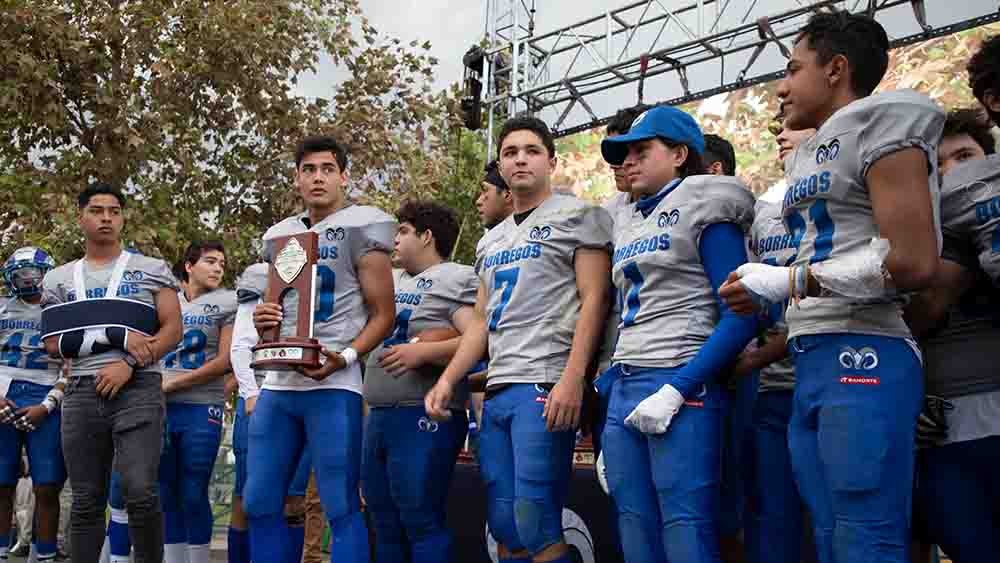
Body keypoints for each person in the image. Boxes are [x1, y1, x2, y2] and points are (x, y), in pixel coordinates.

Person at [719, 11, 944, 563]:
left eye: (793, 69)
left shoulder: (883, 123)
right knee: (830, 535)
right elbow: (828, 248)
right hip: (813, 355)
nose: (780, 85)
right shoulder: (815, 148)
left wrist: (788, 279)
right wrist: (768, 284)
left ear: (837, 68)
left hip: (865, 351)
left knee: (866, 535)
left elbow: (912, 261)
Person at [426, 116, 613, 563]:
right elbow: (480, 323)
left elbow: (595, 300)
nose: (520, 159)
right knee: (506, 523)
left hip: (545, 381)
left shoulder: (579, 216)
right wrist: (448, 379)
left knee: (535, 518)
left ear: (551, 160)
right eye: (510, 153)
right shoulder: (490, 240)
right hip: (499, 388)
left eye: (531, 150)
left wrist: (573, 378)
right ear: (501, 166)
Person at [597, 106, 758, 563]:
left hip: (679, 378)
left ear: (680, 153)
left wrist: (678, 388)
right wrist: (605, 384)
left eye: (641, 150)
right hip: (626, 381)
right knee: (634, 529)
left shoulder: (707, 203)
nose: (627, 161)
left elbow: (742, 315)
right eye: (623, 153)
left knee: (685, 529)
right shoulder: (628, 218)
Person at [247, 135, 396, 563]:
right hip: (280, 383)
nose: (318, 178)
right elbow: (281, 306)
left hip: (334, 383)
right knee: (259, 501)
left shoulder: (361, 227)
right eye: (309, 170)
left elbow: (382, 315)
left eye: (327, 169)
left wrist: (345, 358)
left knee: (340, 504)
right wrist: (265, 322)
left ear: (343, 177)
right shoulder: (281, 235)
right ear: (296, 178)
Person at [40, 183, 182, 563]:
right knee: (86, 498)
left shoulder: (151, 269)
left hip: (139, 387)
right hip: (82, 391)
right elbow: (53, 344)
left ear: (122, 218)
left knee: (139, 490)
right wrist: (116, 335)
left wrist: (130, 362)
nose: (106, 217)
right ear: (80, 217)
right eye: (97, 210)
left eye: (114, 211)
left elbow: (172, 330)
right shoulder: (57, 279)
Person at [905, 107, 1000, 561]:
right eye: (936, 167)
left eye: (964, 156)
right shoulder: (905, 239)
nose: (951, 174)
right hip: (943, 429)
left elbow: (929, 307)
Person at [362, 200, 478, 562]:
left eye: (404, 231)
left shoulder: (455, 277)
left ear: (427, 236)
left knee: (420, 518)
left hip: (421, 412)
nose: (395, 239)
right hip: (379, 413)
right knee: (382, 522)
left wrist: (427, 351)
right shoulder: (388, 280)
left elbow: (479, 336)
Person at [739, 119, 816, 563]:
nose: (781, 135)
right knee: (773, 517)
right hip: (772, 390)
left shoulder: (848, 194)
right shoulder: (761, 209)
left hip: (833, 372)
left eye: (794, 127)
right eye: (778, 130)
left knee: (839, 515)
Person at [228, 262, 313, 563]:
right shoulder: (261, 272)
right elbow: (241, 344)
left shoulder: (334, 266)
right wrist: (251, 394)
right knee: (248, 498)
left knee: (294, 499)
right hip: (262, 394)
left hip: (307, 395)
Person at [0, 247, 65, 562]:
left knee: (47, 485)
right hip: (4, 394)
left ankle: (46, 554)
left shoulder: (63, 309)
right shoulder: (2, 308)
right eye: (21, 273)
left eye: (33, 273)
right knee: (1, 483)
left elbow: (73, 366)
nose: (27, 279)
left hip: (45, 395)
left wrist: (49, 404)